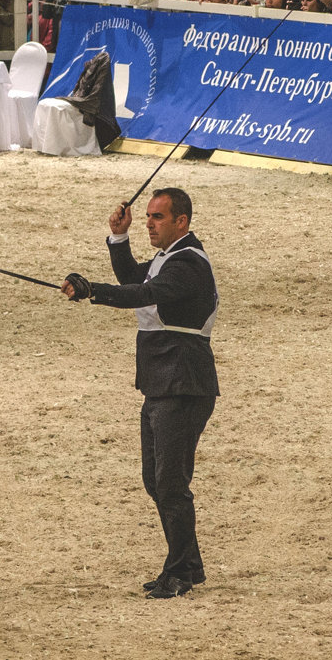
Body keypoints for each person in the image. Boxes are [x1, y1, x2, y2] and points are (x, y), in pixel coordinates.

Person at [62, 189, 218, 600]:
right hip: (162, 382)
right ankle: (189, 564)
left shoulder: (188, 264)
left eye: (158, 217)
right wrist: (119, 238)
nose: (149, 223)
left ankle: (180, 572)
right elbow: (136, 280)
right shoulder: (170, 259)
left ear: (182, 221)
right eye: (147, 216)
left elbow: (144, 294)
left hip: (183, 383)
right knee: (157, 480)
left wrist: (91, 290)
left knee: (170, 483)